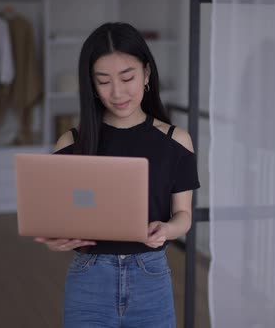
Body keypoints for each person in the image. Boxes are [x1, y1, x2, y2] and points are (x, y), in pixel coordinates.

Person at [34, 22, 200, 328]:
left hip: (151, 279)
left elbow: (183, 217)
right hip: (89, 280)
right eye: (104, 81)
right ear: (92, 86)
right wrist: (53, 240)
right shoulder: (71, 144)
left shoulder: (176, 142)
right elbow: (57, 219)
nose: (118, 92)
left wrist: (166, 229)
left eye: (127, 77)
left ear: (147, 73)